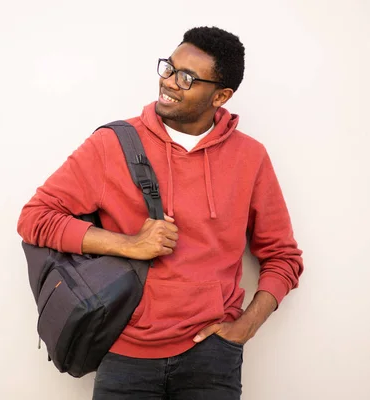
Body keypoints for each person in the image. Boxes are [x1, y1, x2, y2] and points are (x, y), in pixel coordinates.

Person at [17, 26, 303, 400]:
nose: (169, 82)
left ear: (221, 95)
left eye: (187, 78)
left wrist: (247, 325)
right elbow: (35, 218)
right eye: (169, 68)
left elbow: (283, 257)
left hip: (213, 354)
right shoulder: (112, 145)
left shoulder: (250, 157)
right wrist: (129, 244)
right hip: (125, 350)